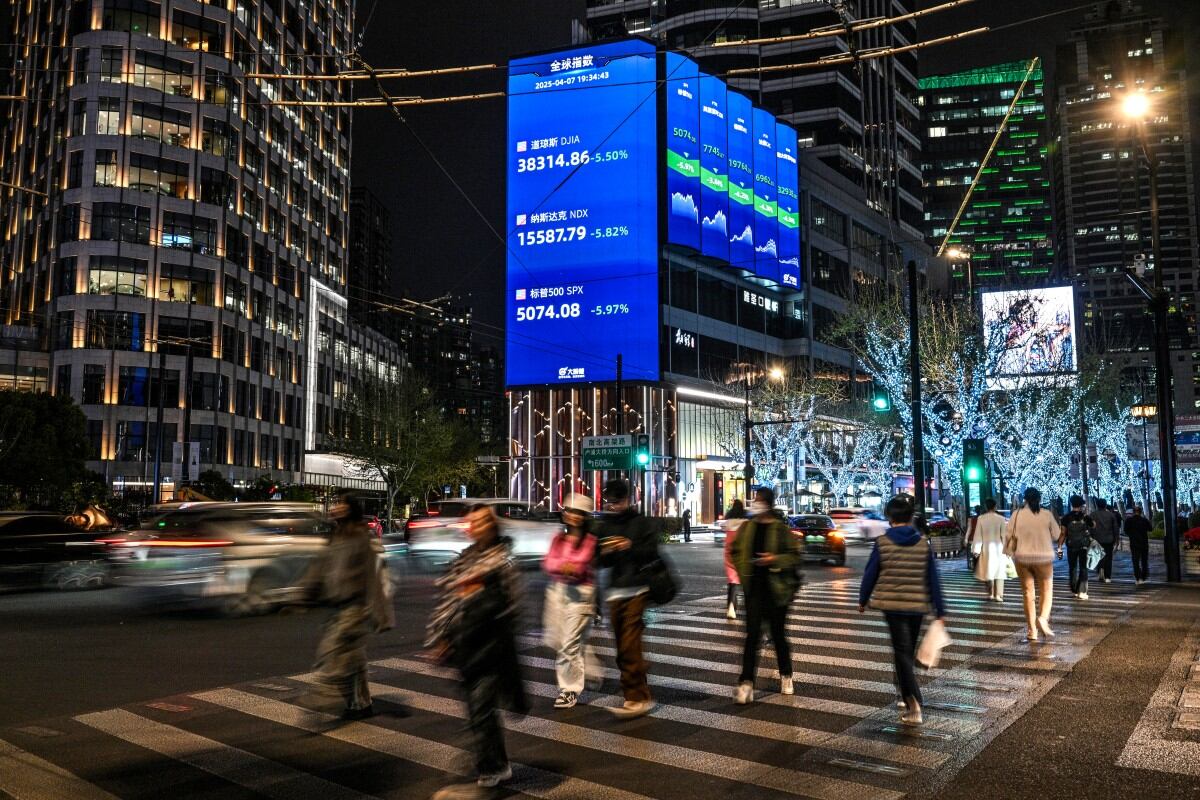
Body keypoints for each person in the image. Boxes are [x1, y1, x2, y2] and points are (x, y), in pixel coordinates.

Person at [426, 505, 528, 795]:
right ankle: (498, 761)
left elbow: (514, 605)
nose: (478, 526)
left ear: (493, 525)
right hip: (465, 645)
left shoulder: (504, 560)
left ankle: (491, 767)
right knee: (476, 708)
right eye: (474, 521)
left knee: (481, 708)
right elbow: (449, 601)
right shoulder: (465, 558)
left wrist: (484, 602)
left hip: (492, 645)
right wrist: (442, 637)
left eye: (484, 520)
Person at [858, 494, 946, 726]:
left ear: (890, 517)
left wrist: (863, 599)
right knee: (906, 651)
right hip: (917, 606)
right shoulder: (921, 543)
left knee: (902, 653)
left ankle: (913, 700)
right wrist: (940, 610)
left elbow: (871, 573)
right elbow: (933, 579)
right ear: (910, 517)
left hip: (893, 605)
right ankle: (907, 695)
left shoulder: (883, 542)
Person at [304, 491, 390, 720]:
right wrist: (305, 592)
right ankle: (360, 704)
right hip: (337, 605)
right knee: (354, 657)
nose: (335, 507)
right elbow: (320, 568)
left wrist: (381, 615)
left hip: (355, 606)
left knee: (332, 650)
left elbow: (373, 577)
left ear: (350, 509)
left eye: (340, 504)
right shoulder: (336, 536)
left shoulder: (361, 537)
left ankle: (322, 692)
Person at [596, 478, 660, 719]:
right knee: (622, 647)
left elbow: (651, 552)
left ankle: (637, 697)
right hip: (614, 591)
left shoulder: (640, 522)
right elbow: (598, 560)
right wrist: (606, 551)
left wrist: (629, 546)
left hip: (637, 589)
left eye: (617, 501)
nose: (613, 506)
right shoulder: (604, 525)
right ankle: (636, 688)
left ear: (627, 499)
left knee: (630, 644)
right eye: (609, 502)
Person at [730, 488, 800, 704]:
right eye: (755, 500)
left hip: (777, 591)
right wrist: (744, 571)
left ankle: (786, 675)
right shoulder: (748, 527)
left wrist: (773, 560)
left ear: (768, 504)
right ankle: (746, 683)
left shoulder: (780, 529)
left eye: (759, 501)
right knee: (751, 637)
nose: (755, 503)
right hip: (754, 590)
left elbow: (794, 557)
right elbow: (735, 551)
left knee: (778, 635)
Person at [542, 493, 601, 709]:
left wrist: (565, 567)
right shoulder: (558, 539)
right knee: (558, 641)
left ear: (585, 516)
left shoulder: (590, 541)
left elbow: (579, 566)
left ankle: (569, 690)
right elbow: (549, 564)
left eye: (579, 512)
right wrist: (564, 567)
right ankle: (590, 668)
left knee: (569, 643)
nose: (574, 516)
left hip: (581, 595)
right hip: (557, 592)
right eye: (570, 511)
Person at [1006, 487, 1060, 641]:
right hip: (1043, 557)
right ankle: (1043, 618)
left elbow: (1008, 534)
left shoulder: (1016, 515)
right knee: (1046, 591)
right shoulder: (1046, 514)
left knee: (1028, 594)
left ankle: (1031, 631)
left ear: (1025, 499)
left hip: (1022, 557)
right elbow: (1056, 535)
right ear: (1039, 499)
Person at [1060, 495, 1095, 600]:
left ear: (1072, 504)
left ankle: (1074, 588)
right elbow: (1093, 525)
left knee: (1072, 567)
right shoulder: (1085, 517)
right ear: (1081, 505)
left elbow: (1063, 533)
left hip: (1071, 545)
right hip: (1083, 546)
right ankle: (1082, 591)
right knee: (1083, 567)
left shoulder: (1066, 517)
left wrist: (1059, 547)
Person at [973, 499, 1009, 601]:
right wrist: (1007, 549)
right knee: (999, 572)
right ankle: (999, 595)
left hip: (986, 548)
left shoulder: (981, 519)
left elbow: (978, 535)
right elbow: (1003, 536)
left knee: (988, 571)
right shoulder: (1001, 519)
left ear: (986, 507)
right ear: (995, 506)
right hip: (999, 548)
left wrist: (976, 549)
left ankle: (990, 593)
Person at [723, 499, 748, 620]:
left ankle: (731, 607)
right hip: (743, 554)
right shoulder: (746, 523)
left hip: (730, 553)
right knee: (746, 582)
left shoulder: (728, 522)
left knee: (732, 582)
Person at [1091, 498, 1121, 583]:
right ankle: (1108, 576)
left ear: (1097, 505)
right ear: (1105, 505)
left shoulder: (1092, 515)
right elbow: (1115, 528)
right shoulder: (1111, 515)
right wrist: (1117, 540)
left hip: (1097, 539)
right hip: (1109, 539)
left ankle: (1100, 569)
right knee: (1108, 558)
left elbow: (1089, 528)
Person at [1124, 505, 1153, 585]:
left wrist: (1131, 534)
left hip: (1134, 543)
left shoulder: (1129, 520)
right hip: (1144, 542)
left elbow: (1125, 530)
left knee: (1135, 561)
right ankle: (1144, 576)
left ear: (1133, 512)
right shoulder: (1144, 520)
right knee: (1144, 560)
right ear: (1141, 512)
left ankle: (1138, 577)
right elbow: (1150, 528)